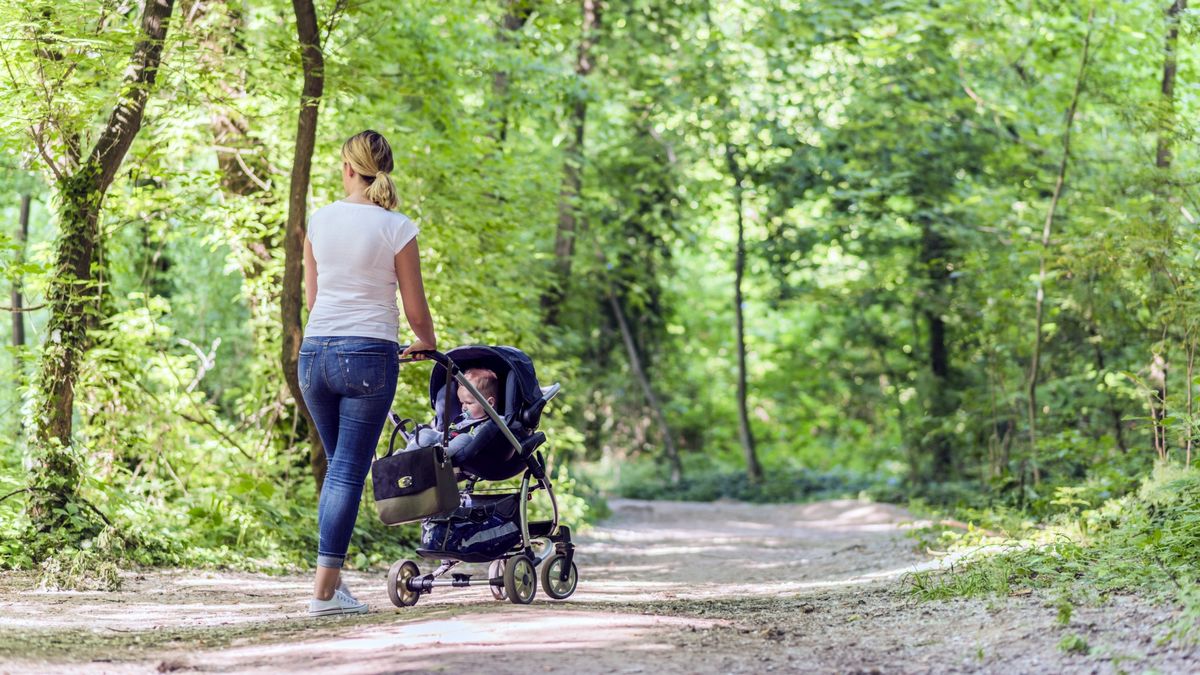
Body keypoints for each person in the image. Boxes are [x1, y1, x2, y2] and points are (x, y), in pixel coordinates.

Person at [299, 129, 436, 617]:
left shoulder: (320, 220)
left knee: (341, 471)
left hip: (314, 356)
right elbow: (415, 308)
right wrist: (428, 342)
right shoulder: (398, 227)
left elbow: (313, 299)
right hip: (368, 357)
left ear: (348, 169)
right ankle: (322, 595)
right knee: (345, 473)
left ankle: (333, 587)